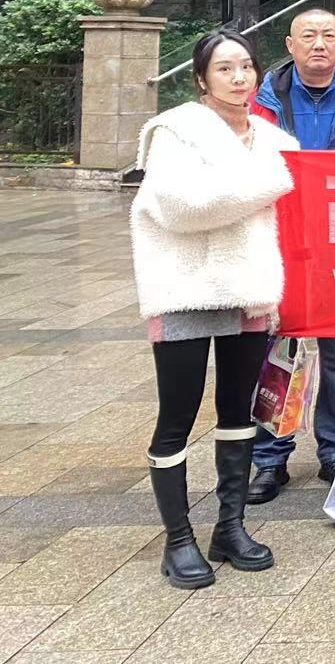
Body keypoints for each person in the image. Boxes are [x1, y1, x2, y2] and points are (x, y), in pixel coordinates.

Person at [132, 30, 297, 588]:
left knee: (237, 411)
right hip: (185, 287)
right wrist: (272, 184)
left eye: (246, 66)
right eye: (224, 68)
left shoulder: (272, 139)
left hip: (249, 288)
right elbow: (182, 207)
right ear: (201, 78)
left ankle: (230, 526)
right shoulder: (174, 132)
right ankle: (178, 539)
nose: (238, 77)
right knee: (177, 415)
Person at [247, 9, 335, 504]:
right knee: (277, 355)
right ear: (290, 44)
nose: (319, 44)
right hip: (280, 243)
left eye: (328, 35)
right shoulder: (260, 104)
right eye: (309, 35)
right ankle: (269, 459)